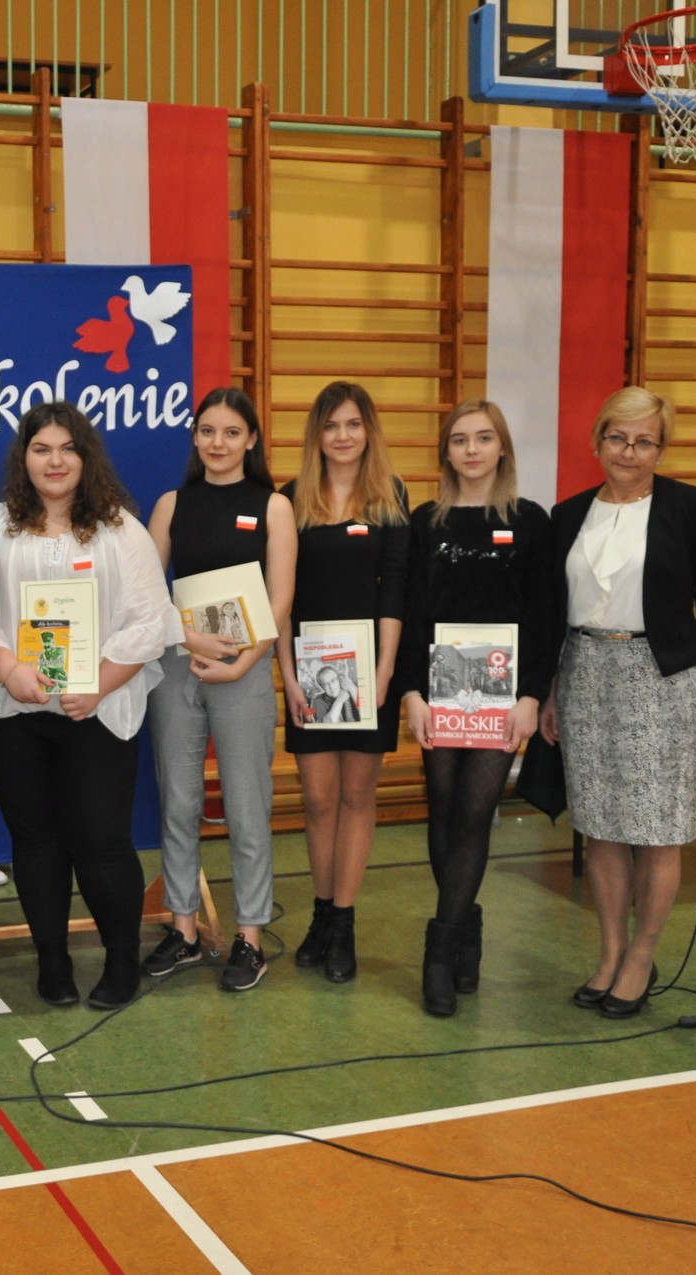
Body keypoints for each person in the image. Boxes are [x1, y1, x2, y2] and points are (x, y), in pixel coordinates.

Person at [540, 386, 696, 1018]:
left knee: (659, 829)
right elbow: (553, 610)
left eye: (644, 441)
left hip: (661, 679)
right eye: (617, 437)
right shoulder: (568, 514)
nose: (628, 452)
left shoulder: (689, 507)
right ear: (597, 441)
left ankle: (642, 955)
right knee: (602, 827)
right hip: (583, 674)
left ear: (662, 449)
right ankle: (610, 952)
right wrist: (550, 690)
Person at [0, 401, 182, 1010]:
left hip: (99, 712)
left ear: (86, 457)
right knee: (35, 842)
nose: (55, 461)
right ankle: (52, 962)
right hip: (14, 713)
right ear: (24, 458)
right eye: (42, 449)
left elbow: (151, 622)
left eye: (68, 448)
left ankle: (121, 961)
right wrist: (8, 670)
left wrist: (99, 684)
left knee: (100, 840)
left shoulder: (122, 530)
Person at [395, 400, 554, 1017]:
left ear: (502, 448)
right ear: (446, 451)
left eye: (484, 438)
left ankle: (439, 952)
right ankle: (466, 925)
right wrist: (411, 691)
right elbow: (410, 611)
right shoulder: (424, 522)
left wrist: (530, 696)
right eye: (460, 439)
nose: (471, 450)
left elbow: (544, 615)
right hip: (438, 689)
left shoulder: (530, 521)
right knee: (442, 808)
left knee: (475, 811)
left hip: (500, 693)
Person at [142, 387, 295, 992]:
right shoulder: (171, 505)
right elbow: (145, 595)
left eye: (232, 432)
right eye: (207, 430)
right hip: (177, 666)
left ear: (251, 439)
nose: (218, 442)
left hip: (245, 669)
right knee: (178, 801)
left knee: (248, 807)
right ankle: (183, 929)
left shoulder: (273, 507)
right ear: (195, 436)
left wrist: (242, 662)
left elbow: (280, 598)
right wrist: (187, 637)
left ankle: (250, 938)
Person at [275, 381, 409, 984]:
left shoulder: (390, 495)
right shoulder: (289, 499)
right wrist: (287, 677)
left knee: (358, 797)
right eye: (331, 425)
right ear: (316, 434)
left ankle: (344, 923)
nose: (343, 436)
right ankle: (321, 915)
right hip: (308, 674)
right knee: (318, 799)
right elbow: (279, 597)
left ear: (368, 430)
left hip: (367, 674)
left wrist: (383, 672)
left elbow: (396, 589)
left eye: (353, 424)